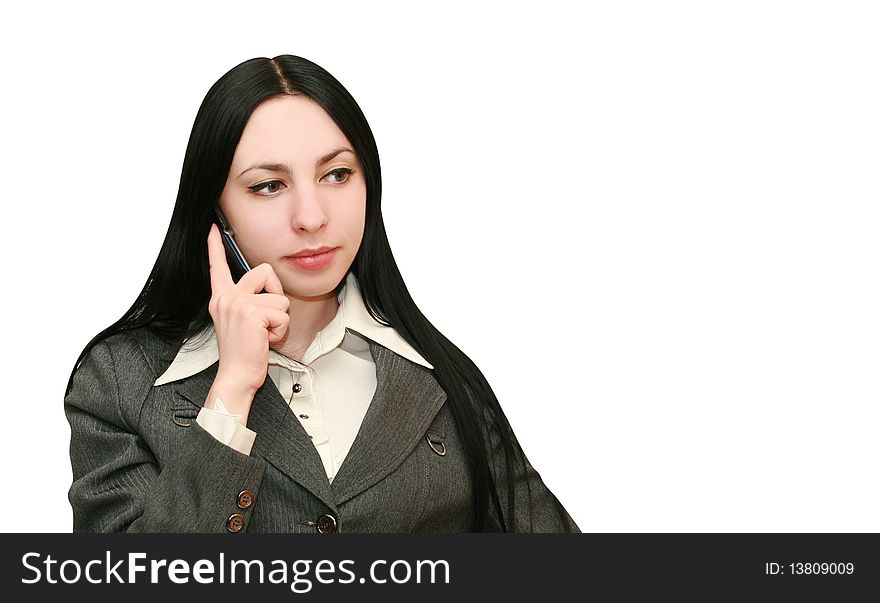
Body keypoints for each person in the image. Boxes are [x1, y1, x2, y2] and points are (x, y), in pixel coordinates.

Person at [64, 55, 581, 533]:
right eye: (269, 186)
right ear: (215, 212)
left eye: (336, 174)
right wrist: (231, 393)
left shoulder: (443, 376)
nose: (312, 217)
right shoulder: (119, 379)